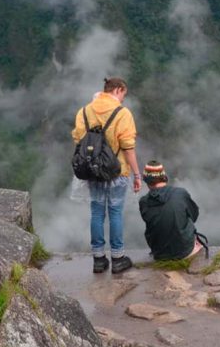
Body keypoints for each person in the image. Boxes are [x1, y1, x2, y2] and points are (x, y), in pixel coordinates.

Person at [72, 76, 142, 274]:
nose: (123, 99)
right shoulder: (122, 113)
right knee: (115, 213)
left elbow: (78, 139)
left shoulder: (84, 111)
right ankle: (118, 259)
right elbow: (128, 147)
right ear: (118, 90)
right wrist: (137, 175)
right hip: (116, 171)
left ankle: (98, 259)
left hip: (92, 170)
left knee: (96, 212)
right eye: (123, 95)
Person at [138, 160, 204, 261]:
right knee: (186, 217)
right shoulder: (180, 193)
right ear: (164, 177)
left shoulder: (143, 202)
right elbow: (194, 215)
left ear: (146, 181)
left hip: (159, 254)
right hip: (184, 252)